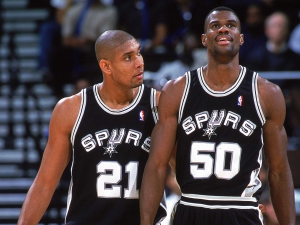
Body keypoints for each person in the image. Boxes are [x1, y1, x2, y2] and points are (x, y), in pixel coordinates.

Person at [140, 6, 295, 225]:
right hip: (191, 208)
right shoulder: (177, 90)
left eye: (230, 25)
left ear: (241, 38)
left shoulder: (266, 93)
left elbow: (279, 170)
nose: (223, 29)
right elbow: (156, 165)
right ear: (204, 39)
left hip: (241, 210)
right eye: (215, 26)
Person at [18, 30, 166, 225]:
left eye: (138, 53)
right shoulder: (71, 109)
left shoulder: (159, 105)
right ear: (106, 66)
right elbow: (45, 183)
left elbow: (180, 171)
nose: (139, 63)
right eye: (128, 58)